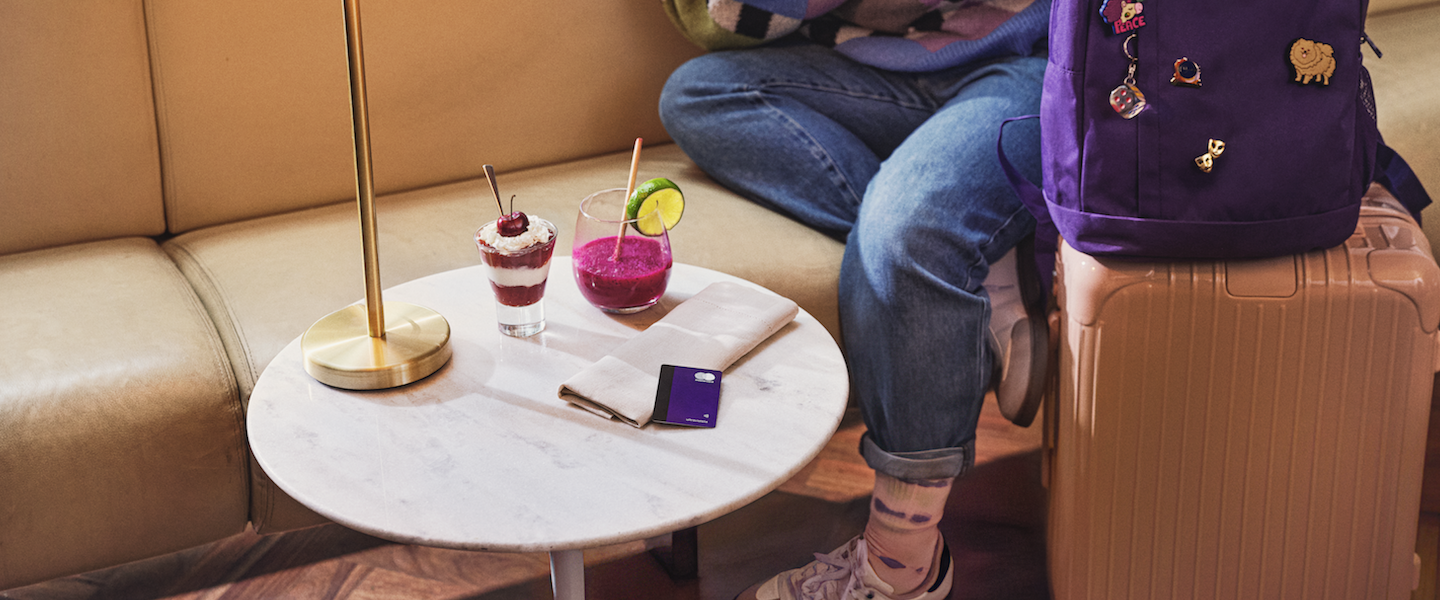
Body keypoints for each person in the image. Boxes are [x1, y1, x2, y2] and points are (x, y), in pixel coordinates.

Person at [657, 1, 1052, 598]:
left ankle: (901, 569)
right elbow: (728, 18)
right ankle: (975, 261)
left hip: (1038, 63)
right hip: (889, 71)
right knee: (698, 93)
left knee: (908, 235)